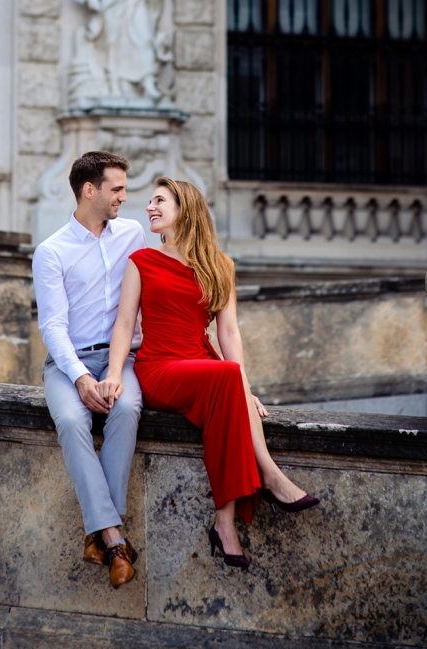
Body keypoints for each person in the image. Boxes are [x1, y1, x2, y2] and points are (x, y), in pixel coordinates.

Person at [97, 177, 320, 569]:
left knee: (229, 384)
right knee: (226, 378)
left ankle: (225, 523)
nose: (150, 207)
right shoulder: (142, 262)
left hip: (203, 364)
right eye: (149, 201)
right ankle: (269, 475)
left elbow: (228, 332)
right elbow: (123, 326)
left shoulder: (220, 266)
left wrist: (245, 388)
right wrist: (115, 373)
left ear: (186, 209)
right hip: (159, 367)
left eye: (160, 200)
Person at [32, 150, 147, 588]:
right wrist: (80, 376)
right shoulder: (51, 252)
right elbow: (53, 327)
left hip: (121, 358)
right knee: (70, 420)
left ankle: (100, 535)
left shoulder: (132, 234)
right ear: (89, 190)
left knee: (127, 409)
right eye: (116, 188)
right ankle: (115, 537)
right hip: (67, 363)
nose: (123, 196)